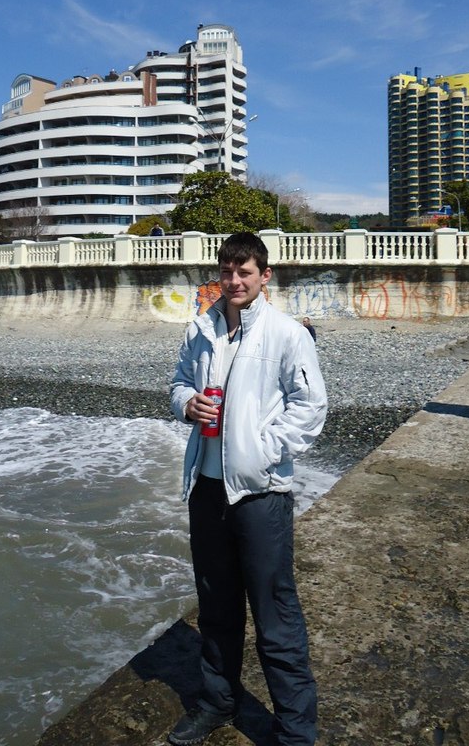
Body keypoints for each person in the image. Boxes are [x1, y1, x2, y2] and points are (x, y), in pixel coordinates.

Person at [169, 232, 327, 746]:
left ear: (265, 276)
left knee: (275, 614)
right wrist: (188, 404)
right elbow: (176, 383)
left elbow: (311, 409)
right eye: (227, 270)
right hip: (207, 489)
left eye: (245, 271)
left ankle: (296, 732)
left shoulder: (286, 334)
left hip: (261, 494)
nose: (233, 281)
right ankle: (217, 702)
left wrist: (263, 449)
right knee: (215, 607)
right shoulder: (201, 330)